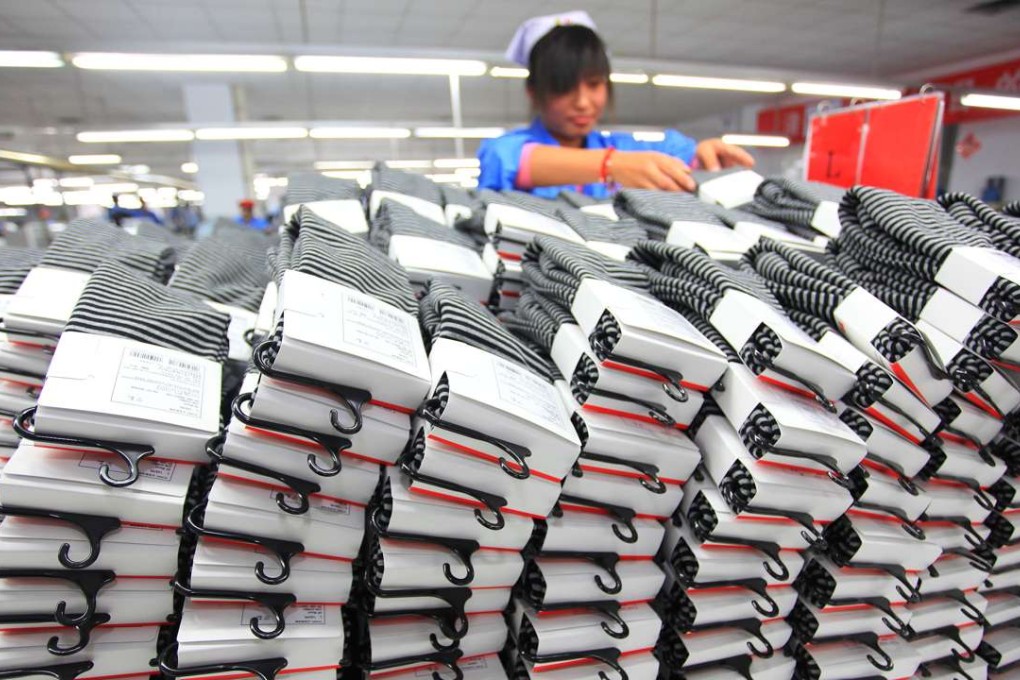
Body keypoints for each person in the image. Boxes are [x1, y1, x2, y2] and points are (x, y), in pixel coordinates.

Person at [478, 11, 755, 199]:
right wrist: (610, 166)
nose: (583, 102)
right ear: (533, 92)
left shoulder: (623, 148)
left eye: (594, 84)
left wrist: (703, 155)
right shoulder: (507, 150)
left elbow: (674, 153)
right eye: (564, 87)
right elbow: (509, 160)